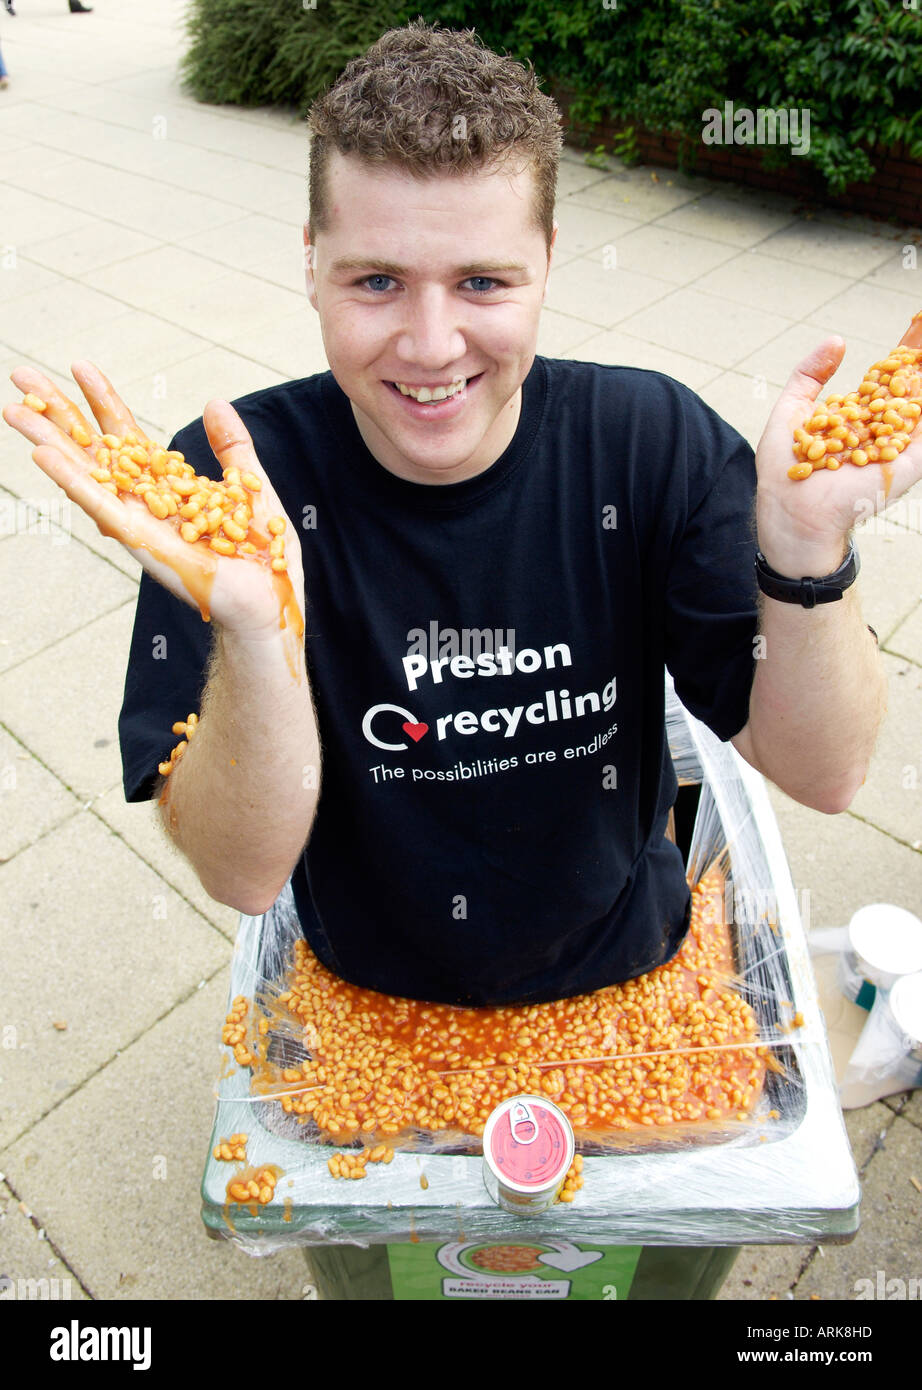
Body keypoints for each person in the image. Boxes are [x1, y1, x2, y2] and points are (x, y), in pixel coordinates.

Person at [3, 21, 897, 1297]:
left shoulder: (648, 444)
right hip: (363, 977)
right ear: (310, 264)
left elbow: (823, 769)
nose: (429, 347)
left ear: (544, 266)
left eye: (482, 282)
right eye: (375, 283)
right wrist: (261, 630)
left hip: (626, 965)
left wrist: (805, 548)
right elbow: (243, 870)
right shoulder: (229, 486)